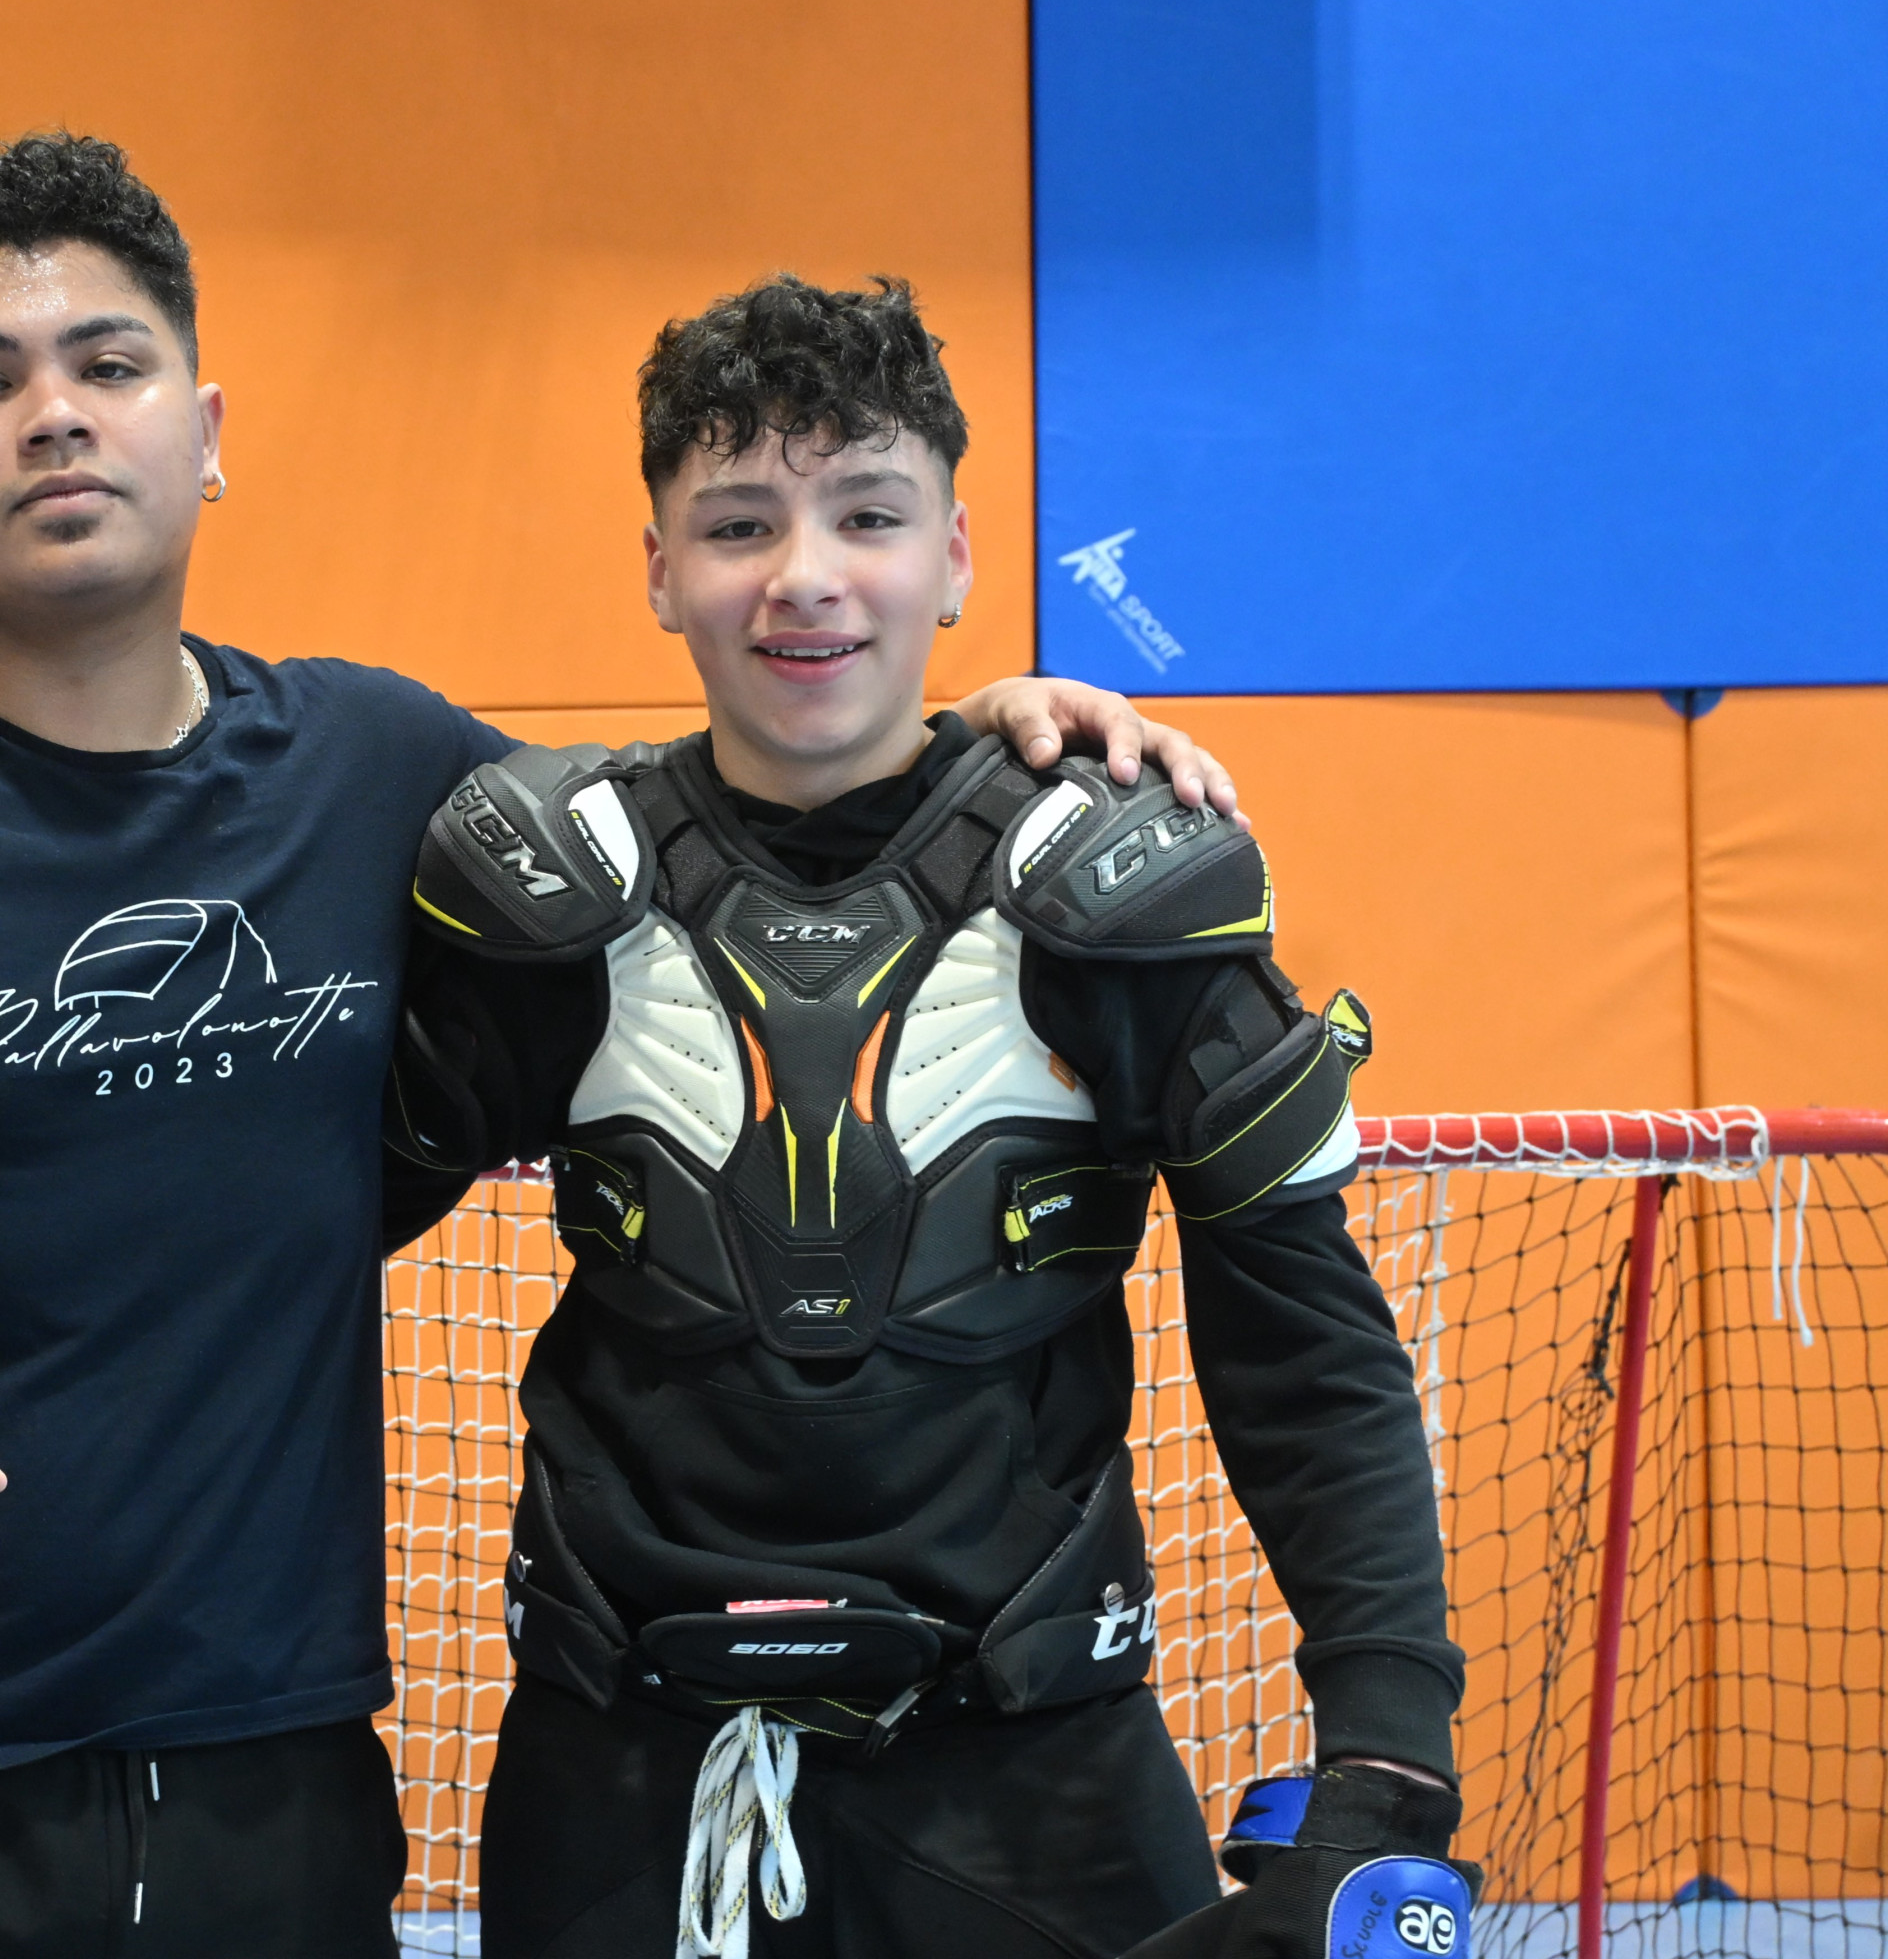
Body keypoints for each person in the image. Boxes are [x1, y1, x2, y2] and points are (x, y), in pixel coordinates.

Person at [0, 134, 1236, 1959]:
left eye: (109, 363)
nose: (54, 415)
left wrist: (965, 739)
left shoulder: (382, 774)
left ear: (207, 430)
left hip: (272, 1791)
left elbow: (743, 824)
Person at [385, 274, 1480, 1958]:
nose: (806, 573)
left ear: (957, 558)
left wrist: (1390, 1754)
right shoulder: (548, 899)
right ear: (660, 569)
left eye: (869, 515)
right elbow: (284, 1232)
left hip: (1035, 1781)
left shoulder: (1118, 885)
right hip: (618, 1787)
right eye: (738, 523)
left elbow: (1307, 1350)